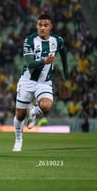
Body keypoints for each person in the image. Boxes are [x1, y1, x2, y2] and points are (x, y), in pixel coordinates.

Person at [12, 14, 68, 152]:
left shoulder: (57, 40)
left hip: (44, 83)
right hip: (27, 81)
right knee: (20, 115)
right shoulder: (30, 41)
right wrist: (44, 61)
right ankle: (18, 139)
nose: (42, 28)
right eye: (40, 25)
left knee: (47, 106)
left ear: (50, 27)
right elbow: (30, 64)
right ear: (36, 26)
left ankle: (34, 112)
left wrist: (66, 69)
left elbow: (63, 51)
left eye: (45, 25)